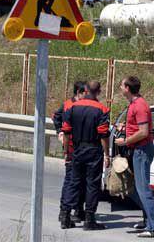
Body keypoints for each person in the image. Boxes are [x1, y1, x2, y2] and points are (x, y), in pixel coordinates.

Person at [115, 76, 154, 238]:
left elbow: (143, 132)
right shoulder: (134, 104)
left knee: (144, 189)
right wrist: (125, 127)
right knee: (135, 189)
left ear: (127, 88)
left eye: (121, 85)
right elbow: (137, 127)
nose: (120, 88)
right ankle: (147, 221)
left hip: (142, 150)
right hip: (137, 150)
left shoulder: (140, 106)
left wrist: (125, 141)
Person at [60, 80, 110, 230]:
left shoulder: (72, 107)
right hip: (94, 150)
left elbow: (66, 131)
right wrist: (107, 154)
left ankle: (65, 216)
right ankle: (89, 219)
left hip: (76, 149)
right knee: (92, 185)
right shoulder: (102, 109)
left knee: (73, 182)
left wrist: (66, 151)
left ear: (86, 90)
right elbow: (103, 135)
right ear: (99, 92)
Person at [52, 80, 86, 224]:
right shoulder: (68, 104)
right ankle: (64, 212)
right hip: (71, 148)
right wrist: (59, 131)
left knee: (81, 181)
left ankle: (79, 210)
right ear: (79, 92)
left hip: (82, 148)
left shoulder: (84, 104)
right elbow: (55, 116)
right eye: (86, 92)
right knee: (71, 181)